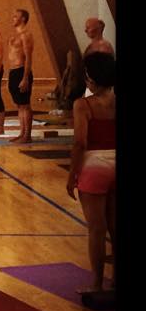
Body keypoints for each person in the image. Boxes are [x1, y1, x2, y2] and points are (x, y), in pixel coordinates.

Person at [66, 53, 116, 293]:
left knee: (97, 229)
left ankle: (96, 283)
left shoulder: (83, 105)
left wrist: (72, 175)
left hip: (94, 166)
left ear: (90, 78)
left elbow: (80, 143)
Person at [6, 8, 35, 143]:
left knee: (25, 105)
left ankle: (27, 135)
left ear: (23, 19)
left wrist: (25, 77)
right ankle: (22, 132)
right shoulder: (15, 35)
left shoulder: (26, 35)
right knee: (19, 105)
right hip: (13, 71)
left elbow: (28, 57)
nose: (13, 18)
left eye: (15, 16)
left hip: (21, 70)